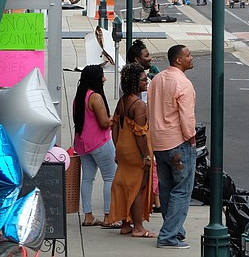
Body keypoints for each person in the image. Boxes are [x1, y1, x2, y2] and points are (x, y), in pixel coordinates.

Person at [148, 45, 197, 250]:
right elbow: (186, 116)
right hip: (177, 141)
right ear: (178, 60)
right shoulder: (183, 84)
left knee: (167, 188)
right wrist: (191, 138)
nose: (191, 57)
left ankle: (174, 230)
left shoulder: (157, 80)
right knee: (182, 190)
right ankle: (168, 235)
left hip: (158, 141)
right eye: (188, 55)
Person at [108, 64, 156, 237]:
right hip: (137, 152)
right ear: (136, 82)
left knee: (127, 186)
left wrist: (117, 147)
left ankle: (125, 224)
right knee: (137, 188)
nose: (146, 81)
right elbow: (141, 135)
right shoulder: (139, 105)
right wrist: (146, 156)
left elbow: (114, 126)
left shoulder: (122, 101)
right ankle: (138, 227)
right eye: (144, 79)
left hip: (123, 150)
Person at [73, 65, 117, 227]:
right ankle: (107, 216)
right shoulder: (95, 97)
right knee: (110, 177)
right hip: (100, 143)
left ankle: (88, 215)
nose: (104, 79)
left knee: (87, 178)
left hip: (83, 143)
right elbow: (104, 122)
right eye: (102, 76)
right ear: (95, 79)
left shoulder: (79, 97)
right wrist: (115, 118)